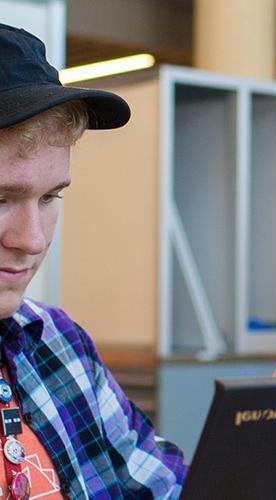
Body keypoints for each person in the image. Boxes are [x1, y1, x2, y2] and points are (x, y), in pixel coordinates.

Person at [0, 23, 186, 498]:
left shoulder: (57, 344)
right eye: (1, 199)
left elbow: (166, 485)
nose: (33, 239)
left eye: (49, 198)